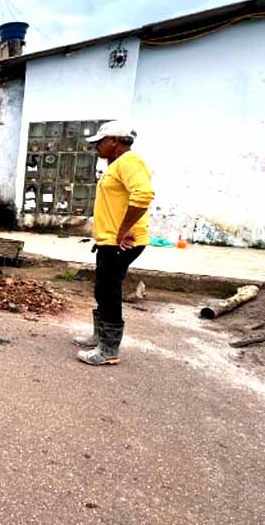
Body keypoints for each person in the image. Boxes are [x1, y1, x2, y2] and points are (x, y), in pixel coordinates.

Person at [72, 121, 155, 366]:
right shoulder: (116, 165)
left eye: (101, 141)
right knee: (102, 289)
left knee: (109, 291)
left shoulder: (130, 162)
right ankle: (100, 337)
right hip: (109, 241)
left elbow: (143, 195)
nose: (96, 146)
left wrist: (124, 230)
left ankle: (108, 349)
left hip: (123, 243)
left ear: (115, 141)